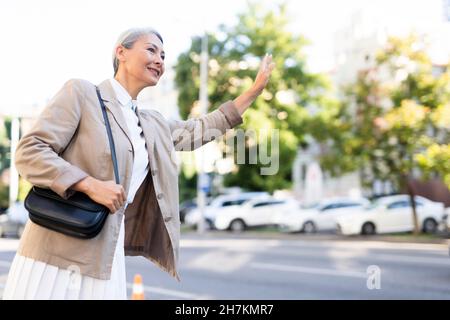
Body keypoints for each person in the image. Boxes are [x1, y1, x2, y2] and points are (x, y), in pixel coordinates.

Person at [2, 27, 275, 300]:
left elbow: (203, 129)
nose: (160, 60)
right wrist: (89, 185)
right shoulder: (82, 94)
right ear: (121, 52)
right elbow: (29, 152)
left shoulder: (151, 122)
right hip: (55, 253)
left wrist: (255, 89)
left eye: (164, 55)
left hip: (106, 255)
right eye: (151, 50)